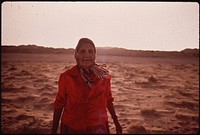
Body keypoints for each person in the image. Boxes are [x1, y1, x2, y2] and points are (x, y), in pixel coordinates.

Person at [51, 38, 122, 134]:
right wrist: (54, 130)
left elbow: (108, 99)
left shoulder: (104, 76)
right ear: (76, 54)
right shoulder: (67, 77)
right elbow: (59, 104)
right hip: (72, 127)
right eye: (82, 51)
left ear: (95, 55)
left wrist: (116, 122)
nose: (87, 55)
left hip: (98, 127)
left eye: (91, 51)